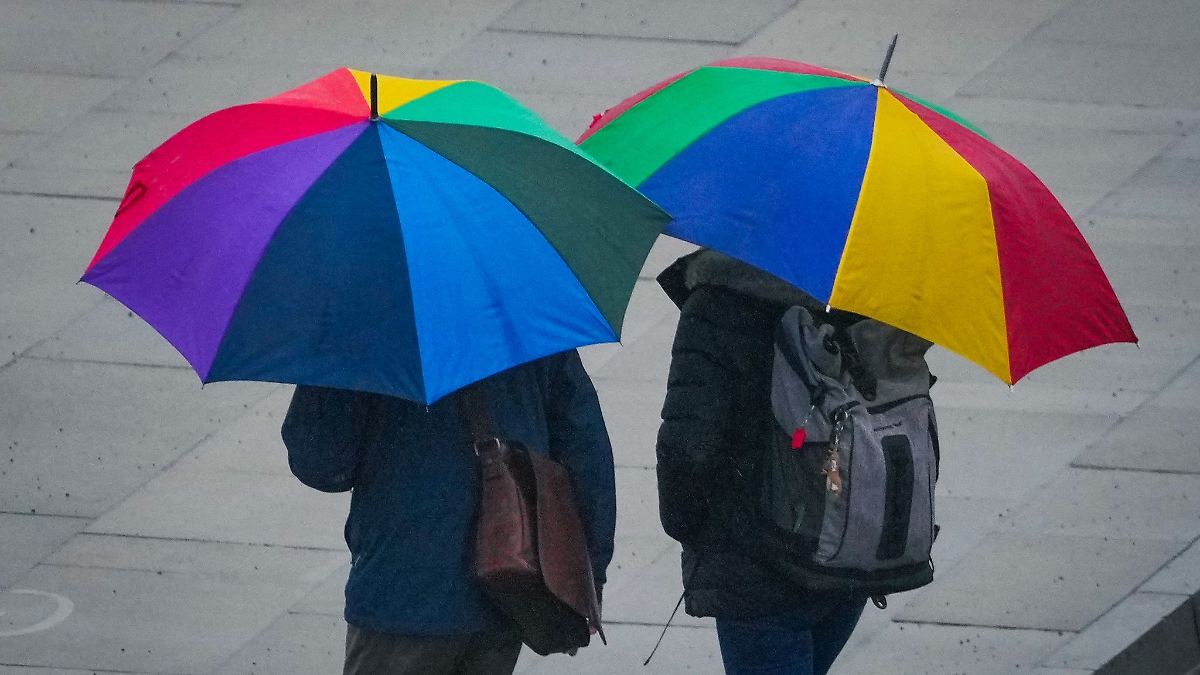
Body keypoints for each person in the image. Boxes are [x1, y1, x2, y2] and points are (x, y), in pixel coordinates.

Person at [281, 350, 615, 675]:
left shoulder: (368, 326)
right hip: (510, 584)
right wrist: (586, 577)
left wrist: (329, 363)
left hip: (404, 591)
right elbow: (584, 448)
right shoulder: (525, 309)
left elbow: (321, 463)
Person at [655, 250, 867, 675]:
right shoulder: (862, 300)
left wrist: (691, 529)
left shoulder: (716, 305)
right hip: (848, 548)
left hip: (755, 562)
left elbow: (688, 448)